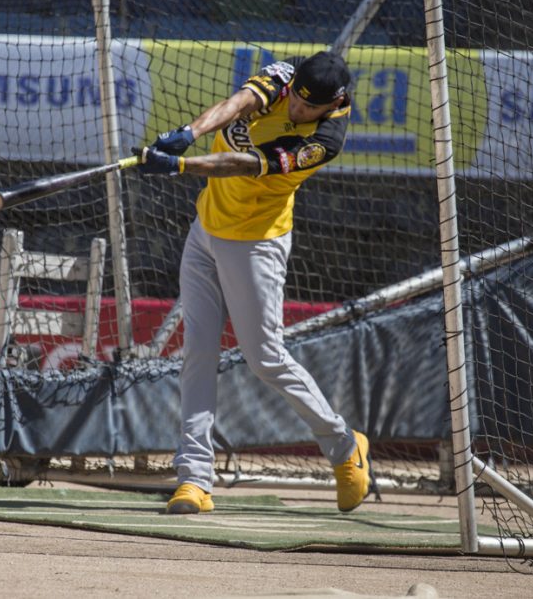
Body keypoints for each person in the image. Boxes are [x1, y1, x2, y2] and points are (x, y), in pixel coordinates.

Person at [132, 51, 377, 515]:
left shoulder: (323, 141)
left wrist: (179, 166)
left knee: (265, 358)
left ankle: (344, 445)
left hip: (254, 244)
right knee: (198, 353)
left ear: (333, 103)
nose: (296, 109)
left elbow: (241, 164)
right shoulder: (290, 73)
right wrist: (188, 133)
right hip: (206, 230)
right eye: (295, 99)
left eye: (308, 107)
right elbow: (240, 102)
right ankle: (194, 479)